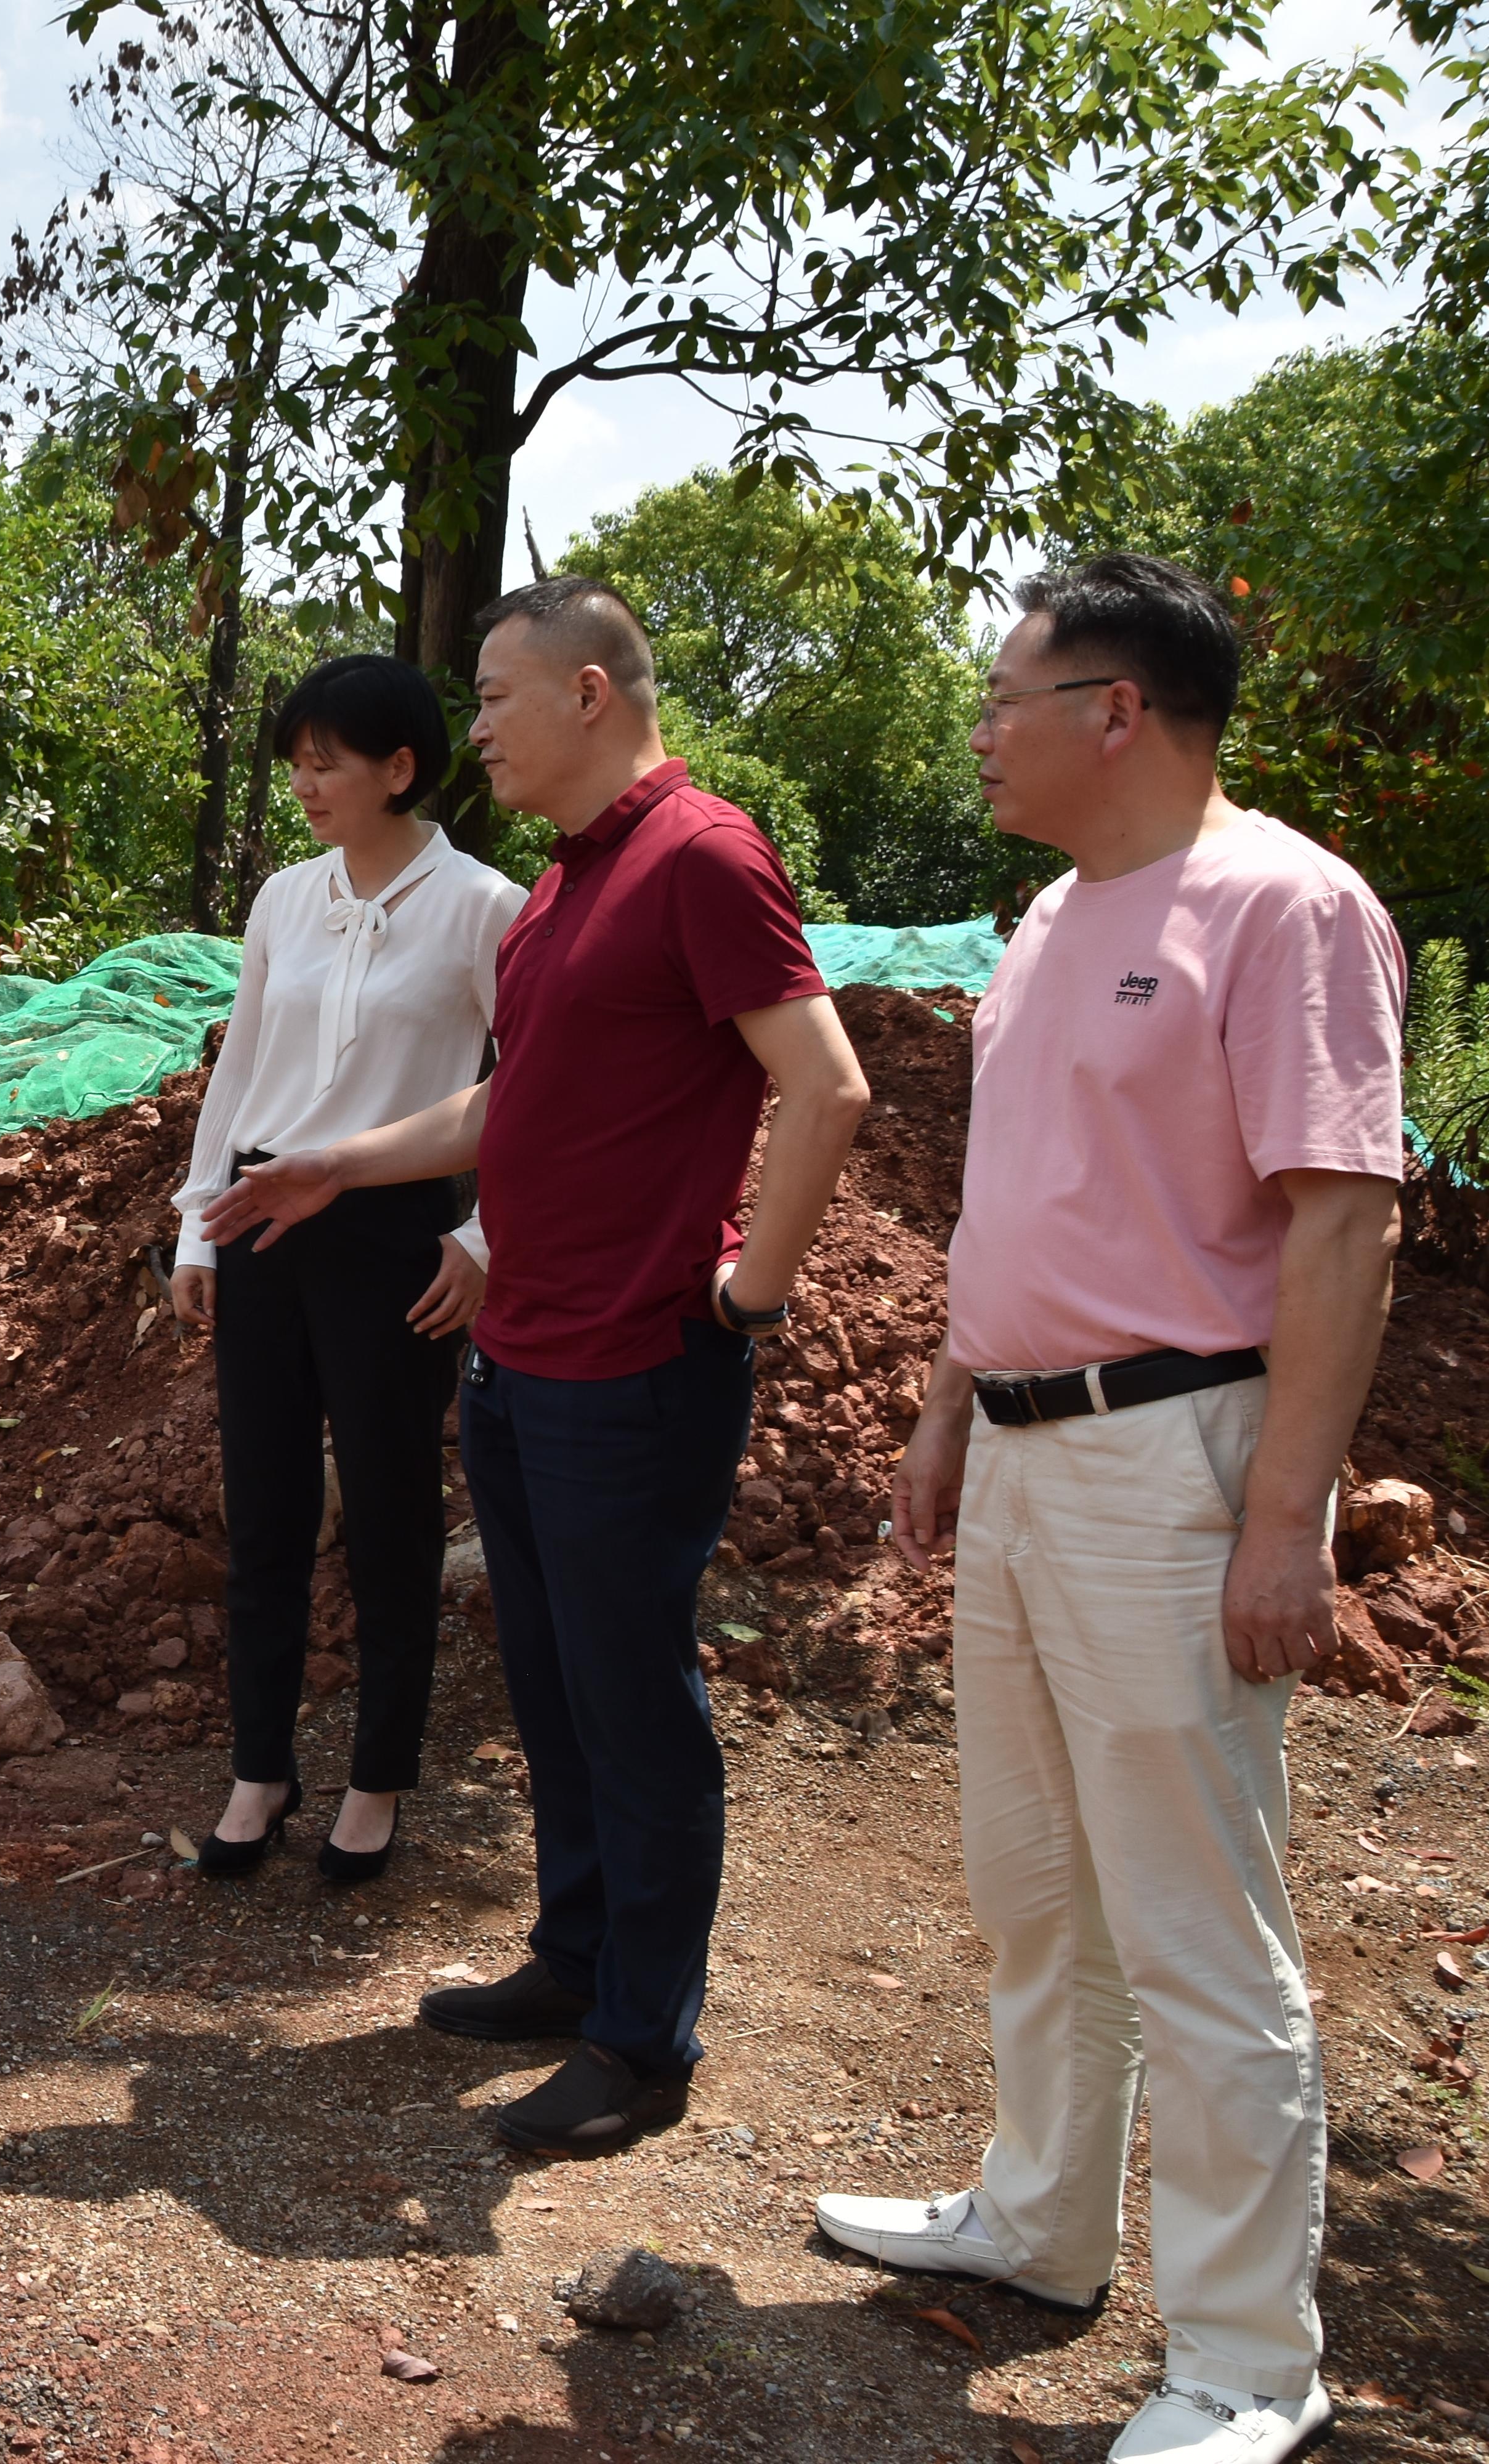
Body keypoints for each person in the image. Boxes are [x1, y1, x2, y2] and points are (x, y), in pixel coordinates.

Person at [816, 554, 1400, 2464]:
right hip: (1023, 1449)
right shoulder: (1053, 919)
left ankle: (1247, 2361)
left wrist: (1284, 1519)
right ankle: (1045, 2224)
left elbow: (1341, 1217)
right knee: (1036, 1881)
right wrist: (942, 1414)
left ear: (1115, 711)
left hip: (1178, 1455)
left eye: (1004, 696)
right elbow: (1021, 1205)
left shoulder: (1287, 907)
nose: (978, 731)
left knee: (1195, 1920)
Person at [211, 577, 868, 2155]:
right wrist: (335, 1167)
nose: (477, 727)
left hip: (636, 1361)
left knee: (636, 1703)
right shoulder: (574, 884)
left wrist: (747, 1293)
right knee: (567, 1694)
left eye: (496, 700)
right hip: (524, 1357)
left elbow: (826, 1086)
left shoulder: (702, 855)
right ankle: (575, 1965)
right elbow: (504, 1112)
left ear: (589, 693)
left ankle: (644, 2040)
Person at [168, 655, 527, 1883]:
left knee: (388, 1514)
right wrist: (196, 1226)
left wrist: (484, 1242)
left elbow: (535, 1092)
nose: (307, 783)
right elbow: (241, 1066)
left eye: (329, 760)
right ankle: (260, 1766)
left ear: (401, 767)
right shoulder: (284, 899)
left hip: (393, 1236)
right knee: (263, 1509)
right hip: (264, 1219)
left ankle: (378, 1777)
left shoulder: (486, 907)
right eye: (298, 761)